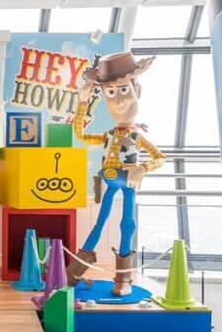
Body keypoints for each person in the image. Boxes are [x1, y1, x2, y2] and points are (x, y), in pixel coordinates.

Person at [66, 52, 165, 296]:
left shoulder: (137, 137)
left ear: (137, 90)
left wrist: (142, 168)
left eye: (123, 90)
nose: (119, 101)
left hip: (128, 183)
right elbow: (80, 134)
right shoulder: (108, 135)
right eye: (110, 92)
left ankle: (123, 278)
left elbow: (160, 157)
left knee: (127, 224)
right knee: (100, 222)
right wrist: (82, 103)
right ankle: (74, 273)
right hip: (110, 183)